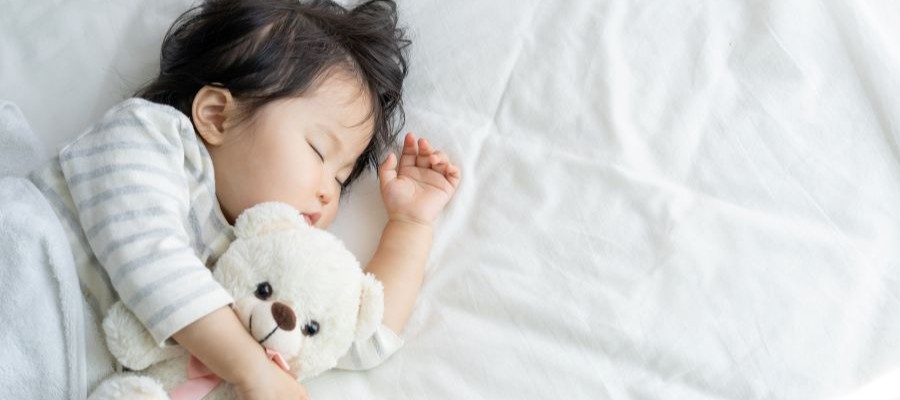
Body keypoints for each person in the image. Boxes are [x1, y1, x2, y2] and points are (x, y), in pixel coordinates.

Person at [28, 0, 460, 398]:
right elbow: (147, 253)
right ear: (217, 115)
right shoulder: (148, 137)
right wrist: (251, 369)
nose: (329, 190)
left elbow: (352, 334)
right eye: (318, 152)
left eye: (342, 178)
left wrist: (410, 226)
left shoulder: (257, 266)